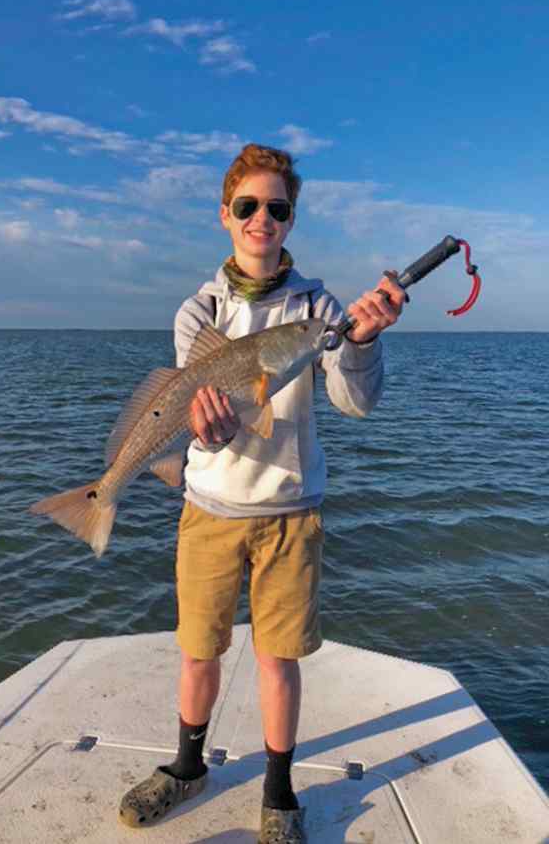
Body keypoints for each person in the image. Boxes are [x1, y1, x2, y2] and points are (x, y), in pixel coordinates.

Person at [119, 143, 406, 843]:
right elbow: (201, 422)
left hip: (290, 516)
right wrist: (208, 432)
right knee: (198, 650)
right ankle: (187, 767)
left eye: (276, 207)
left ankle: (278, 795)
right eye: (247, 206)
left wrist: (360, 343)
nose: (261, 218)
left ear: (290, 219)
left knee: (278, 659)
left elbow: (354, 402)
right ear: (226, 215)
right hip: (209, 511)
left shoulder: (319, 308)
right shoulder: (198, 311)